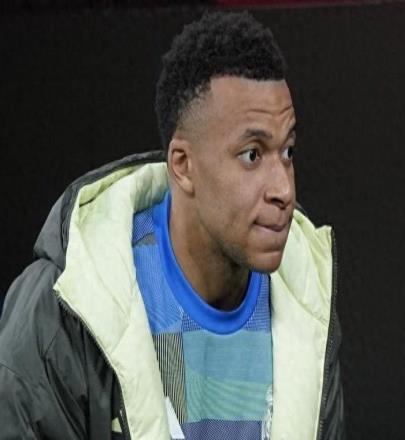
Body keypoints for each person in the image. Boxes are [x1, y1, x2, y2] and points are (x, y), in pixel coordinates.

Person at [0, 10, 344, 440]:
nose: (284, 189)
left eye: (288, 151)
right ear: (183, 166)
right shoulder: (65, 306)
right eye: (252, 155)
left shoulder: (307, 299)